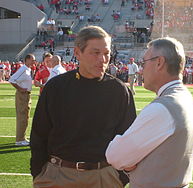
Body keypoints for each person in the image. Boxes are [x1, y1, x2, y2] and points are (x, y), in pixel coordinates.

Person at [30, 25, 136, 188]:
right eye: (95, 53)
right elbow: (39, 134)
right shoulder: (55, 87)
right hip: (58, 175)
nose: (102, 59)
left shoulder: (119, 91)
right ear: (77, 53)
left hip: (104, 177)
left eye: (106, 54)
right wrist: (39, 173)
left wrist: (119, 177)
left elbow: (128, 139)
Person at [106, 37, 193, 188]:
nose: (141, 69)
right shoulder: (184, 98)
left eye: (144, 63)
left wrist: (129, 162)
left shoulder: (163, 108)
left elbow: (115, 156)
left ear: (159, 63)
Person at [9, 54, 36, 146]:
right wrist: (20, 89)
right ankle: (19, 140)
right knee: (22, 117)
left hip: (27, 95)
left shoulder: (28, 69)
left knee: (25, 117)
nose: (34, 62)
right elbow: (12, 79)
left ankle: (22, 137)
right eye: (32, 60)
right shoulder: (23, 69)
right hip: (22, 95)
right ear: (27, 60)